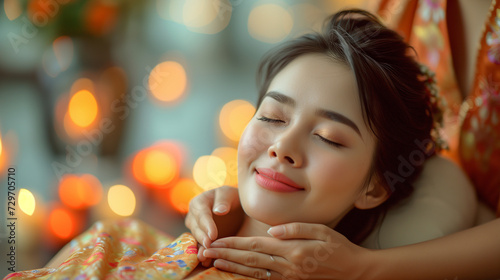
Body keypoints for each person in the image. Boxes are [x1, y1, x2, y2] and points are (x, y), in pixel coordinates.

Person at [2, 8, 473, 280]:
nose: (282, 146)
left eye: (328, 137)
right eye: (271, 116)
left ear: (373, 187)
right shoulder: (122, 237)